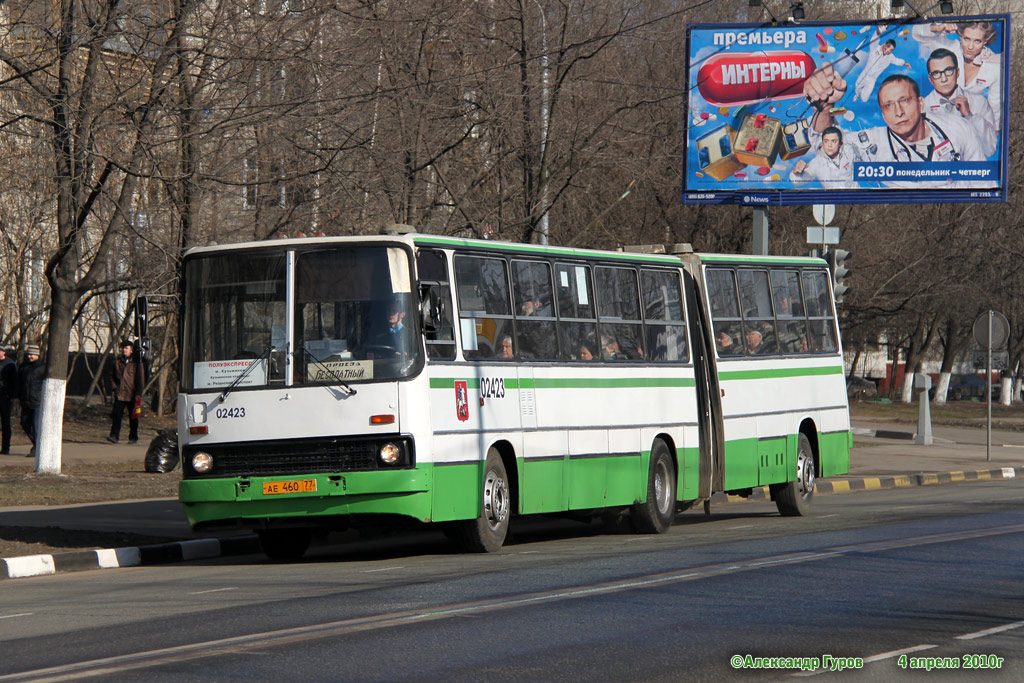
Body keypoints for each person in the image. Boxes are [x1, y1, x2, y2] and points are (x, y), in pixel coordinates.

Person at [804, 71, 986, 189]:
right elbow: (826, 144)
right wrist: (824, 107)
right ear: (883, 115)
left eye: (904, 100)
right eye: (889, 105)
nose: (898, 112)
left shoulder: (958, 128)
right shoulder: (875, 142)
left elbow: (984, 182)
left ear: (920, 103)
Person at [911, 21, 1002, 131]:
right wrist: (937, 27)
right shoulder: (949, 47)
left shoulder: (993, 66)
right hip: (940, 119)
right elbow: (916, 33)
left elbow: (995, 105)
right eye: (966, 39)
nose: (970, 47)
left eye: (977, 41)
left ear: (985, 41)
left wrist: (994, 129)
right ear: (961, 36)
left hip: (970, 121)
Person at [922, 49, 997, 158]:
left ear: (958, 72)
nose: (944, 79)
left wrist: (970, 116)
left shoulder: (979, 102)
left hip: (971, 172)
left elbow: (990, 149)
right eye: (936, 73)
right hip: (937, 172)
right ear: (930, 79)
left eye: (948, 70)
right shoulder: (922, 108)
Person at [789, 125, 861, 189]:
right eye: (826, 141)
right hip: (835, 201)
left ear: (840, 143)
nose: (829, 145)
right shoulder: (817, 163)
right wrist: (795, 173)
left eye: (833, 141)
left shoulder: (849, 151)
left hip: (856, 198)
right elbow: (797, 182)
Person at [853, 27, 910, 103]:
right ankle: (857, 95)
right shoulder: (875, 48)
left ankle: (861, 96)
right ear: (884, 44)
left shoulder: (890, 57)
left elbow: (897, 61)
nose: (888, 51)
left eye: (890, 50)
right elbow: (874, 40)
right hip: (865, 74)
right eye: (887, 48)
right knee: (857, 87)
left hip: (872, 79)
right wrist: (878, 32)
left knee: (864, 99)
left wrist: (905, 63)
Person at [107, 339, 144, 444]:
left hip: (132, 394)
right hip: (120, 394)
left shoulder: (136, 363)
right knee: (116, 416)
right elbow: (111, 376)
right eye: (123, 348)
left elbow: (140, 380)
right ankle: (114, 436)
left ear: (131, 350)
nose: (124, 350)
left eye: (126, 348)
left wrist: (138, 393)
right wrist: (115, 387)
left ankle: (133, 437)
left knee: (133, 418)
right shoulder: (117, 362)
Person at [18, 344, 44, 457]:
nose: (30, 356)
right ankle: (38, 445)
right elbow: (18, 383)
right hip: (25, 401)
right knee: (24, 423)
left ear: (38, 355)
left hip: (37, 401)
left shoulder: (43, 367)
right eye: (29, 354)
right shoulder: (23, 367)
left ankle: (37, 450)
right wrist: (16, 396)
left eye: (32, 354)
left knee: (36, 425)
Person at [0, 348, 17, 454]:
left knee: (5, 423)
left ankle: (6, 448)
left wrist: (13, 396)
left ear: (3, 352)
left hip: (5, 397)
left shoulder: (10, 364)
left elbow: (15, 381)